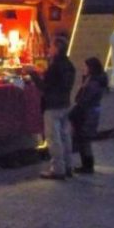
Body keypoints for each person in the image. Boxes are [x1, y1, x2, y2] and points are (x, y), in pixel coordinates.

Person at [27, 35, 76, 180]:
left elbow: (45, 87)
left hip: (53, 105)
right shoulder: (69, 65)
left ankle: (58, 169)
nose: (49, 49)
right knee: (65, 136)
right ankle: (68, 166)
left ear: (57, 48)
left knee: (54, 138)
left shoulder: (55, 67)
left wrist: (33, 73)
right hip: (65, 103)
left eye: (51, 46)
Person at [69, 57, 108, 174]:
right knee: (84, 140)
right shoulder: (92, 80)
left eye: (85, 66)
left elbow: (84, 99)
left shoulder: (93, 83)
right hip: (89, 112)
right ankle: (87, 164)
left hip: (87, 113)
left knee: (84, 139)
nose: (83, 68)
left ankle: (87, 165)